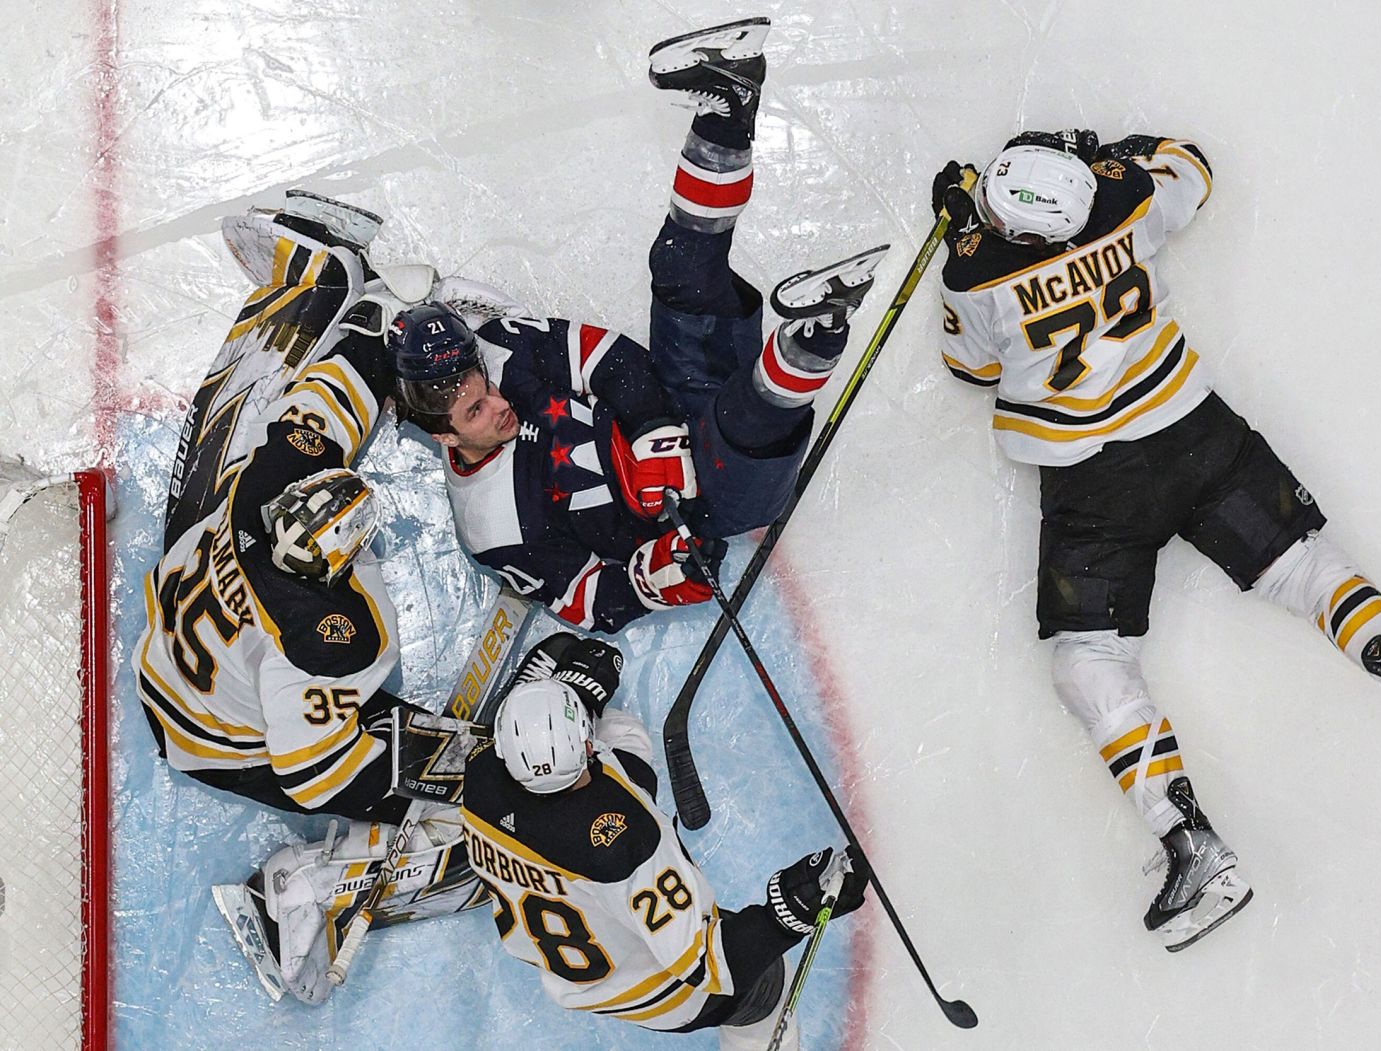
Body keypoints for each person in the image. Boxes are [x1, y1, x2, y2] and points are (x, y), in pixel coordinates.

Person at [930, 129, 1381, 951]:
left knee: (1088, 658)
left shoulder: (976, 272)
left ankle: (1188, 836)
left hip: (1096, 485)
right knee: (1305, 567)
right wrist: (1118, 150)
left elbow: (970, 367)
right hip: (1198, 433)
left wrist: (963, 232)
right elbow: (1192, 169)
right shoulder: (1121, 198)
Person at [389, 16, 888, 634]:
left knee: (678, 266)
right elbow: (584, 601)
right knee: (743, 422)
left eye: (484, 389)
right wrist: (652, 578)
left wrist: (653, 425)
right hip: (704, 501)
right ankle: (821, 327)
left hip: (675, 393)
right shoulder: (491, 529)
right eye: (475, 413)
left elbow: (603, 355)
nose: (497, 404)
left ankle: (729, 103)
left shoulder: (495, 350)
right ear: (443, 437)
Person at [139, 192, 491, 1001]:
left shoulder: (270, 490)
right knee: (465, 783)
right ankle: (301, 888)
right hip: (212, 738)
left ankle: (325, 276)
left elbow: (318, 416)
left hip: (172, 641)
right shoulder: (333, 643)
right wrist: (413, 776)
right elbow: (314, 776)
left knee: (222, 470)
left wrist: (383, 334)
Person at [462, 629, 868, 1050]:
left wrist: (574, 695)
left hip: (572, 965)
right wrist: (785, 915)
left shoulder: (478, 779)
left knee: (624, 734)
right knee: (768, 985)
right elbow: (711, 966)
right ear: (585, 743)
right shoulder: (630, 847)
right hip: (660, 993)